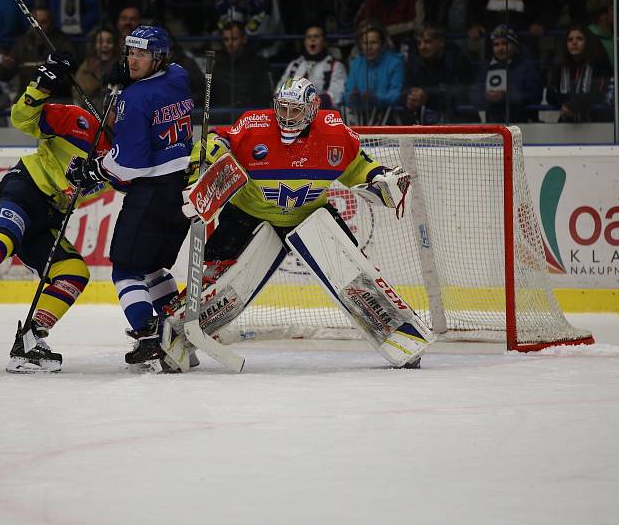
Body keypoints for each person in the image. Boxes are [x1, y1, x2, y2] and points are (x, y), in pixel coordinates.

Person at [156, 76, 430, 370]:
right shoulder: (254, 125)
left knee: (353, 274)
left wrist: (380, 178)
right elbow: (220, 140)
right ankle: (179, 340)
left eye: (295, 110)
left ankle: (401, 335)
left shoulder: (335, 133)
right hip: (249, 213)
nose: (286, 117)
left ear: (312, 109)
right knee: (217, 279)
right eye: (282, 109)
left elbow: (359, 166)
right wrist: (210, 153)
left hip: (310, 214)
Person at [0, 52, 112, 373]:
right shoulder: (78, 120)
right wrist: (42, 84)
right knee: (3, 238)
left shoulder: (124, 158)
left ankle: (30, 340)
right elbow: (23, 118)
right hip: (24, 190)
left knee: (73, 273)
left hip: (50, 216)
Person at [66, 25, 194, 366]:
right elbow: (163, 88)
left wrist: (94, 170)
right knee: (152, 267)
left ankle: (149, 337)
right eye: (130, 53)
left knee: (125, 269)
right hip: (181, 193)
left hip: (150, 195)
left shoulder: (134, 100)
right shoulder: (179, 76)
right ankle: (177, 334)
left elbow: (130, 166)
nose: (133, 60)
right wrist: (129, 80)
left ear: (159, 57)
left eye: (141, 54)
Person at [0, 7, 76, 101]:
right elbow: (4, 77)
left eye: (44, 22)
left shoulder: (63, 43)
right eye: (35, 21)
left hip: (55, 101)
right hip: (27, 100)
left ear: (51, 23)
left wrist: (47, 79)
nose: (38, 26)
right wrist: (5, 67)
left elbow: (70, 77)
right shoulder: (22, 43)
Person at [401, 23, 475, 124]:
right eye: (419, 43)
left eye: (427, 42)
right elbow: (404, 91)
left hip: (459, 122)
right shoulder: (415, 64)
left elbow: (460, 94)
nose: (422, 47)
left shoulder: (457, 60)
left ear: (441, 43)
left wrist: (428, 98)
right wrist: (409, 99)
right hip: (426, 125)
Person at [469, 24, 543, 124]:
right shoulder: (486, 68)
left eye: (505, 43)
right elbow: (474, 93)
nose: (500, 48)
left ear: (515, 46)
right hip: (494, 125)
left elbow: (534, 95)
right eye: (496, 44)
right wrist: (486, 97)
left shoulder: (528, 67)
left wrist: (506, 96)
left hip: (524, 124)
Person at [210, 20, 274, 122]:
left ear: (244, 39)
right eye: (226, 39)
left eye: (234, 39)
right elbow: (212, 96)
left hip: (251, 119)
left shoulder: (260, 64)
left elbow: (267, 96)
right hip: (222, 119)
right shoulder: (217, 65)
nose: (230, 43)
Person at [343, 20, 405, 125]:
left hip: (387, 119)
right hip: (360, 118)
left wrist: (376, 99)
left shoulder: (395, 62)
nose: (369, 47)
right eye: (365, 43)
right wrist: (352, 97)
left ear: (382, 44)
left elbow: (396, 95)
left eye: (373, 42)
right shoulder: (355, 63)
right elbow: (346, 95)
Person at [549, 23, 613, 123]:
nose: (574, 42)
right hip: (566, 123)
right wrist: (564, 104)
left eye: (579, 39)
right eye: (570, 40)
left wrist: (573, 105)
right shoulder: (560, 67)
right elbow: (551, 93)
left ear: (587, 42)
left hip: (597, 123)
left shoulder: (599, 65)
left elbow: (600, 92)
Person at [275, 25, 347, 111]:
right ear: (305, 42)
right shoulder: (294, 65)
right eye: (309, 37)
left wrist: (307, 104)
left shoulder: (335, 66)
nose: (312, 40)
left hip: (322, 115)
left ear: (324, 42)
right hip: (292, 116)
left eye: (316, 36)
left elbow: (336, 95)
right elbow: (279, 89)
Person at [75, 26, 120, 110]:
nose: (105, 45)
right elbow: (79, 95)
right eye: (100, 42)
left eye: (109, 42)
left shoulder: (121, 67)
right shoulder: (86, 67)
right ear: (94, 45)